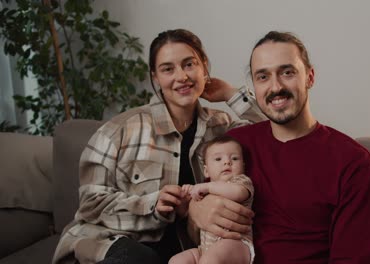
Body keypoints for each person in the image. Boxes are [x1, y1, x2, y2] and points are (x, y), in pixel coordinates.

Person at [52, 29, 265, 264]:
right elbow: (91, 205)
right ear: (155, 77)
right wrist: (153, 205)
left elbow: (274, 134)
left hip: (183, 252)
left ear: (204, 67)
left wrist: (230, 94)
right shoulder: (119, 130)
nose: (182, 76)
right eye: (168, 69)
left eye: (189, 64)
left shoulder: (222, 128)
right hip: (112, 244)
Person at [188, 31, 370, 263]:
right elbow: (202, 220)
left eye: (287, 72)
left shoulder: (353, 162)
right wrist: (195, 211)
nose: (276, 87)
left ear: (310, 77)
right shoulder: (235, 146)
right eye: (263, 77)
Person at [169, 135, 254, 264]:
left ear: (243, 166)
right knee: (176, 260)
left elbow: (237, 193)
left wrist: (206, 187)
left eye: (235, 158)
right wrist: (188, 197)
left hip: (236, 244)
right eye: (218, 159)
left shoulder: (241, 182)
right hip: (205, 248)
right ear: (206, 171)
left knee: (211, 259)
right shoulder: (204, 192)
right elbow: (195, 222)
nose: (227, 162)